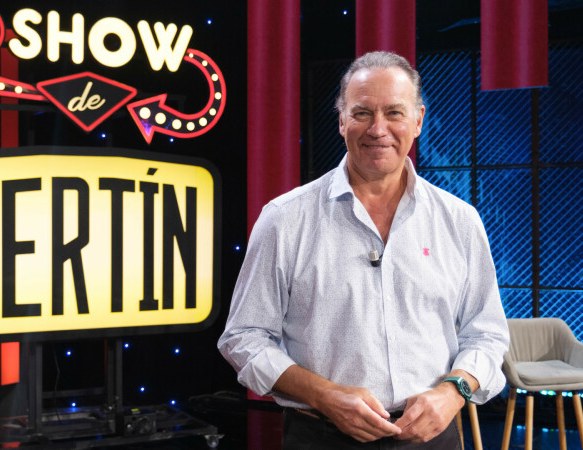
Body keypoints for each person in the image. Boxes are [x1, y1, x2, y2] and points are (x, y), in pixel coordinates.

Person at [217, 51, 510, 449]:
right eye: (362, 113)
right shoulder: (284, 218)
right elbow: (244, 338)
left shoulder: (460, 220)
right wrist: (323, 394)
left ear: (418, 120)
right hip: (320, 437)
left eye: (394, 112)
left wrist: (454, 391)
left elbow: (487, 334)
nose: (378, 129)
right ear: (341, 120)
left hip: (433, 438)